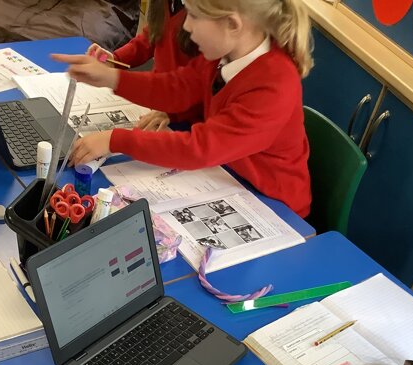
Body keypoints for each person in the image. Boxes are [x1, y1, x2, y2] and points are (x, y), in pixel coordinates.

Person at [52, 0, 313, 217]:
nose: (186, 26)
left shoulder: (274, 84)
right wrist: (111, 77)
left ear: (233, 24)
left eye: (194, 16)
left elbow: (200, 148)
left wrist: (115, 140)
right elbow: (178, 87)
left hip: (274, 207)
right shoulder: (224, 53)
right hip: (227, 177)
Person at [87, 0, 200, 130]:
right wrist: (115, 59)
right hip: (157, 103)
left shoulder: (205, 17)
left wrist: (173, 113)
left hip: (185, 118)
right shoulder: (165, 4)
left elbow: (203, 83)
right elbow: (151, 36)